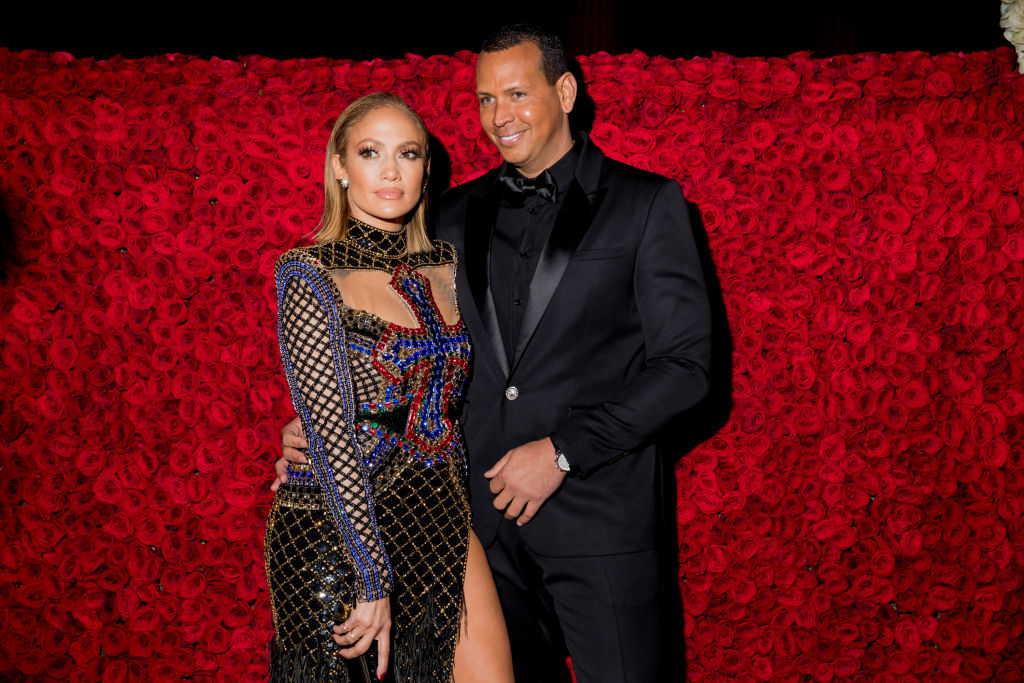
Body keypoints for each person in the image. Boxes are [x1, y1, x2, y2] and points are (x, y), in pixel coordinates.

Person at [281, 25, 712, 682]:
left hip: (601, 523)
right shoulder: (447, 216)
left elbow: (686, 370)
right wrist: (331, 422)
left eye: (516, 93)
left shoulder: (647, 204)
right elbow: (392, 339)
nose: (499, 115)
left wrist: (562, 451)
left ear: (564, 92)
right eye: (486, 99)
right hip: (475, 533)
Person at [267, 92, 512, 682]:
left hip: (441, 515)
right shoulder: (310, 274)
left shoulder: (448, 266)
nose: (391, 172)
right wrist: (372, 577)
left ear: (426, 170)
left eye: (408, 153)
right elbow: (331, 436)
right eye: (370, 152)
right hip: (339, 528)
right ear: (340, 167)